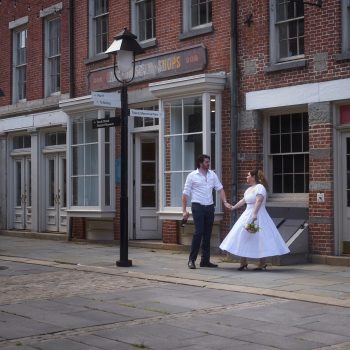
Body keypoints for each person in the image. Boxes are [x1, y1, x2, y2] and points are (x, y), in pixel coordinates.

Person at [219, 169, 290, 271]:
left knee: (260, 238)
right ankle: (243, 262)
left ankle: (262, 263)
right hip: (247, 214)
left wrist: (255, 213)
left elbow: (259, 200)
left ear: (253, 177)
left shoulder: (260, 187)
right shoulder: (248, 189)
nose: (246, 177)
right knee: (243, 236)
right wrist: (233, 207)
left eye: (248, 175)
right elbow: (243, 200)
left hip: (258, 214)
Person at [182, 154, 232, 269]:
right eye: (206, 162)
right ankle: (191, 260)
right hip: (197, 206)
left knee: (208, 234)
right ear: (200, 163)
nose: (208, 164)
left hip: (209, 207)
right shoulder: (192, 176)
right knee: (198, 232)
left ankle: (205, 260)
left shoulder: (212, 175)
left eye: (209, 162)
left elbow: (220, 189)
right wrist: (184, 210)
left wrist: (225, 202)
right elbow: (185, 194)